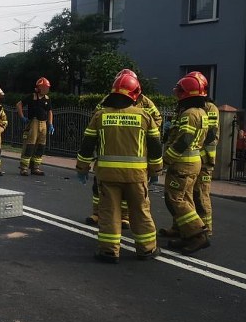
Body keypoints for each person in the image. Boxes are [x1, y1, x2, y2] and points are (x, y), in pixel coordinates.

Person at [76, 72, 163, 263]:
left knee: (109, 213)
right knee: (140, 212)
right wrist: (156, 171)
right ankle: (147, 250)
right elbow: (156, 147)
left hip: (107, 176)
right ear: (135, 94)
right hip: (137, 176)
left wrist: (82, 168)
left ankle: (108, 251)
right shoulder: (144, 116)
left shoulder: (100, 115)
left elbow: (87, 144)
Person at [160, 75, 211, 254]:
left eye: (180, 91)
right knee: (186, 198)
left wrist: (165, 160)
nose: (177, 95)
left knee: (175, 199)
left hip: (183, 164)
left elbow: (184, 141)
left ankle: (198, 234)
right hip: (192, 162)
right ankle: (187, 235)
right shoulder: (201, 112)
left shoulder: (189, 114)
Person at [188, 71, 218, 237]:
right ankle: (182, 227)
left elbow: (211, 135)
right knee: (186, 195)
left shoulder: (210, 108)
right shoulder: (191, 108)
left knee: (201, 194)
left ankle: (205, 229)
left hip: (205, 160)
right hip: (192, 159)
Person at [16, 77, 54, 176]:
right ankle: (24, 168)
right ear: (39, 87)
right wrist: (22, 117)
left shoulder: (47, 99)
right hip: (34, 122)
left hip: (43, 123)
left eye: (47, 87)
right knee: (29, 145)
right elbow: (19, 104)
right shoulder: (32, 96)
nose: (46, 89)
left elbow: (49, 111)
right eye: (44, 87)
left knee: (40, 146)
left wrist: (50, 124)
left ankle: (35, 167)